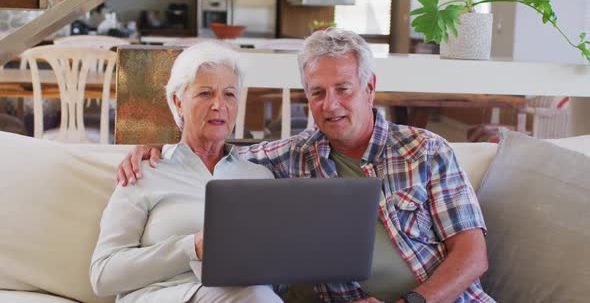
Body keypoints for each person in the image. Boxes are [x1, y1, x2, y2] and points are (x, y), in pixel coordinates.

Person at [116, 28, 494, 303]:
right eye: (317, 93)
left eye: (343, 89)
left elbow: (472, 255)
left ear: (370, 88)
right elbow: (211, 153)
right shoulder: (292, 157)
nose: (330, 104)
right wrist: (156, 142)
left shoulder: (426, 151)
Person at [90, 42, 282, 303]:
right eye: (205, 93)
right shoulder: (143, 171)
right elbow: (103, 276)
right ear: (178, 102)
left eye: (229, 94)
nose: (218, 105)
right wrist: (191, 247)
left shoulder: (259, 177)